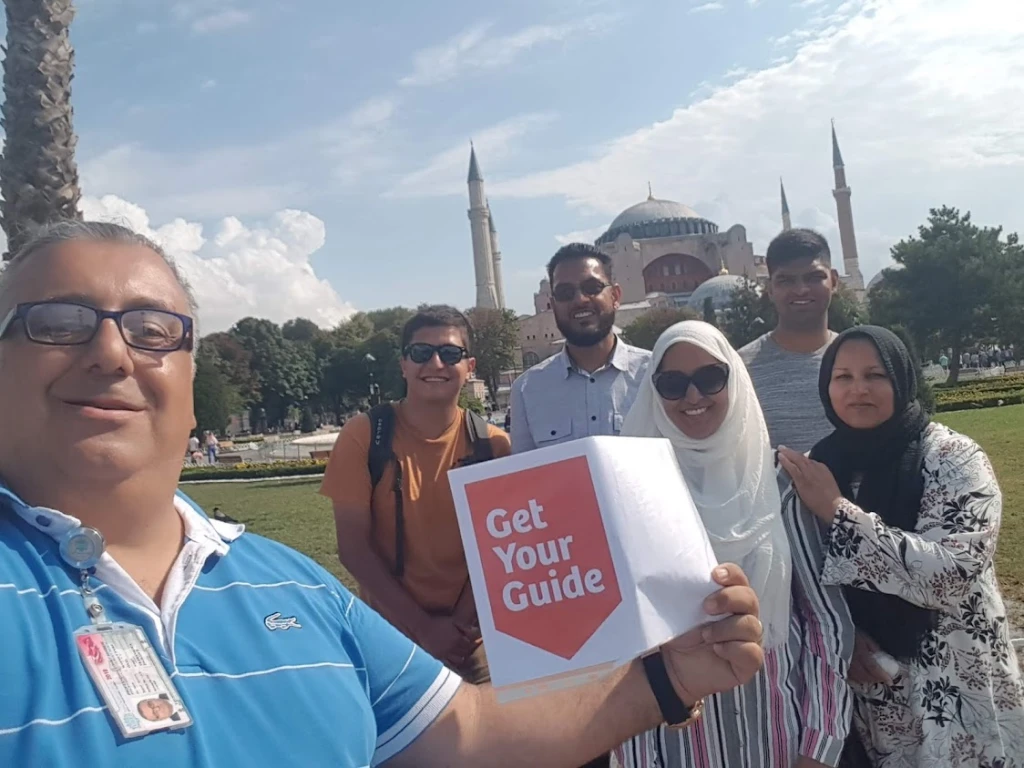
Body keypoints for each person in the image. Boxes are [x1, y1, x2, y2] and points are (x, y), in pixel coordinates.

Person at [0, 220, 766, 766]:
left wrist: (669, 676)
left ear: (193, 377)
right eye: (58, 324)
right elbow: (363, 544)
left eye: (152, 330)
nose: (110, 351)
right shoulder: (380, 439)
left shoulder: (291, 592)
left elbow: (468, 733)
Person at [778, 326, 1024, 767]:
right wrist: (843, 640)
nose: (859, 390)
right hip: (873, 694)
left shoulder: (952, 457)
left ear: (902, 379)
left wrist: (838, 511)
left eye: (875, 375)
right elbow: (803, 574)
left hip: (958, 685)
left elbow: (950, 574)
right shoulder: (821, 464)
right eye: (843, 377)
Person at [618, 321, 853, 768]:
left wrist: (820, 746)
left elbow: (824, 625)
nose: (693, 397)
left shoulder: (778, 486)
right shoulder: (630, 495)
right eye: (673, 383)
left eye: (710, 378)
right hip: (663, 738)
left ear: (735, 380)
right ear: (654, 392)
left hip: (773, 731)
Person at [321, 305, 511, 684]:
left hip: (472, 639)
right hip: (388, 636)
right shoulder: (364, 435)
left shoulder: (494, 445)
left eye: (450, 354)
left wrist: (456, 627)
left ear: (469, 366)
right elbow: (353, 548)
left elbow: (498, 550)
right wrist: (423, 628)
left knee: (488, 740)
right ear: (404, 365)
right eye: (421, 353)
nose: (435, 363)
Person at [509, 243, 650, 454]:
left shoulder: (654, 374)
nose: (580, 300)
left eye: (592, 288)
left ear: (615, 296)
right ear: (552, 304)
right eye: (565, 293)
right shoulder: (527, 390)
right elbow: (526, 476)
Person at [739, 229, 839, 452]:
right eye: (786, 280)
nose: (801, 290)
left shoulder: (860, 360)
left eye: (814, 278)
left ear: (834, 280)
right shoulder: (740, 369)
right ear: (770, 289)